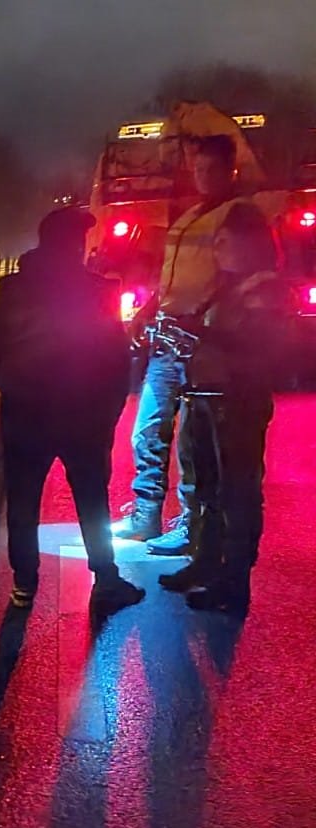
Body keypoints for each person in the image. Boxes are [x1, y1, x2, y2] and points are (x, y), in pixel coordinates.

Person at [0, 207, 144, 610]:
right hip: (83, 411)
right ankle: (106, 579)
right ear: (76, 247)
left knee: (24, 497)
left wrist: (9, 379)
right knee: (91, 496)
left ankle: (24, 585)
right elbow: (117, 358)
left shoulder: (13, 290)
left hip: (25, 411)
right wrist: (110, 407)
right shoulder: (97, 291)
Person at [116, 134, 256, 554]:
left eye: (211, 169)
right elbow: (172, 277)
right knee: (147, 431)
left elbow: (237, 276)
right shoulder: (191, 215)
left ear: (230, 170)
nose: (203, 176)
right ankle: (146, 514)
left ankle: (192, 525)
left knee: (194, 445)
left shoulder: (238, 215)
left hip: (204, 347)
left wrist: (204, 316)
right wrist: (147, 310)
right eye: (198, 169)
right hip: (168, 340)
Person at [157, 203, 292, 612]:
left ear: (250, 245)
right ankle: (205, 562)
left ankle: (234, 582)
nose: (217, 249)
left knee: (237, 493)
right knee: (206, 487)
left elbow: (259, 345)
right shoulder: (225, 286)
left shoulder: (265, 288)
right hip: (205, 397)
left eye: (225, 241)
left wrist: (200, 333)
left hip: (238, 401)